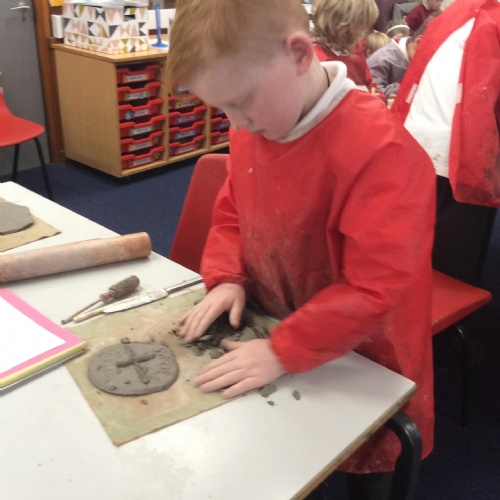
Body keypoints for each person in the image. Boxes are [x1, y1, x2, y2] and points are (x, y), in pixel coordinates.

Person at [167, 0, 436, 497]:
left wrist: (283, 350)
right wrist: (227, 276)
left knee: (367, 459)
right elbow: (234, 210)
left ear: (297, 54)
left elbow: (375, 290)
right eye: (222, 109)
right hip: (281, 321)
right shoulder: (258, 123)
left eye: (241, 102)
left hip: (368, 354)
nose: (236, 123)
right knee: (291, 457)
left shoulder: (383, 153)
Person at [391, 0, 500, 285]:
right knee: (452, 272)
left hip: (412, 141)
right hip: (462, 156)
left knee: (408, 251)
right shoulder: (492, 22)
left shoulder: (446, 17)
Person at [311, 0, 380, 92]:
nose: (363, 36)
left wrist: (378, 96)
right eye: (362, 29)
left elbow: (371, 87)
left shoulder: (356, 58)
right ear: (346, 32)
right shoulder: (316, 62)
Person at [367, 28, 423, 98]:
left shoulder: (410, 52)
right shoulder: (382, 59)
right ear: (418, 42)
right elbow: (373, 93)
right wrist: (406, 83)